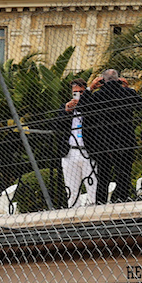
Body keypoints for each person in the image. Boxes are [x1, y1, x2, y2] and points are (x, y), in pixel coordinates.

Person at [80, 69, 142, 204]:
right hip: (125, 138)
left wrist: (90, 88)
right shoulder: (127, 93)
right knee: (124, 172)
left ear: (103, 80)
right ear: (118, 79)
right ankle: (121, 199)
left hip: (104, 141)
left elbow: (81, 107)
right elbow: (141, 104)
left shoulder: (98, 96)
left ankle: (101, 203)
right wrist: (127, 88)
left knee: (103, 175)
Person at [60, 78, 96, 207]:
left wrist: (85, 99)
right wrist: (66, 112)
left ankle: (94, 211)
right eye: (76, 92)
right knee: (71, 188)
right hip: (70, 151)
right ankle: (73, 212)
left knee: (92, 186)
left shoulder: (91, 105)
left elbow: (94, 117)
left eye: (82, 92)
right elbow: (57, 125)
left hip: (87, 150)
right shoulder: (66, 107)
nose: (79, 95)